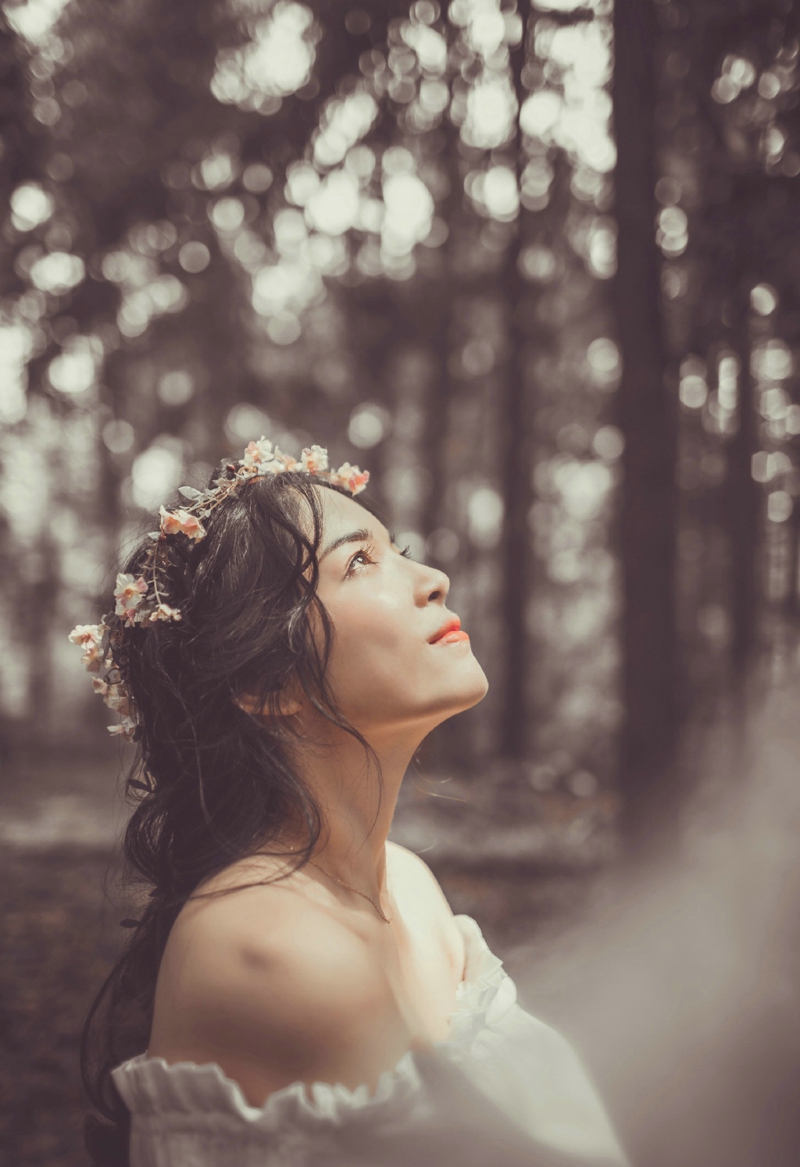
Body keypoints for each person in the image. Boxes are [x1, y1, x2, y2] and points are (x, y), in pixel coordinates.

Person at [74, 438, 629, 1167]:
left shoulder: (408, 883)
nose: (432, 577)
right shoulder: (265, 946)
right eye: (359, 560)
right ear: (267, 682)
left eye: (395, 549)